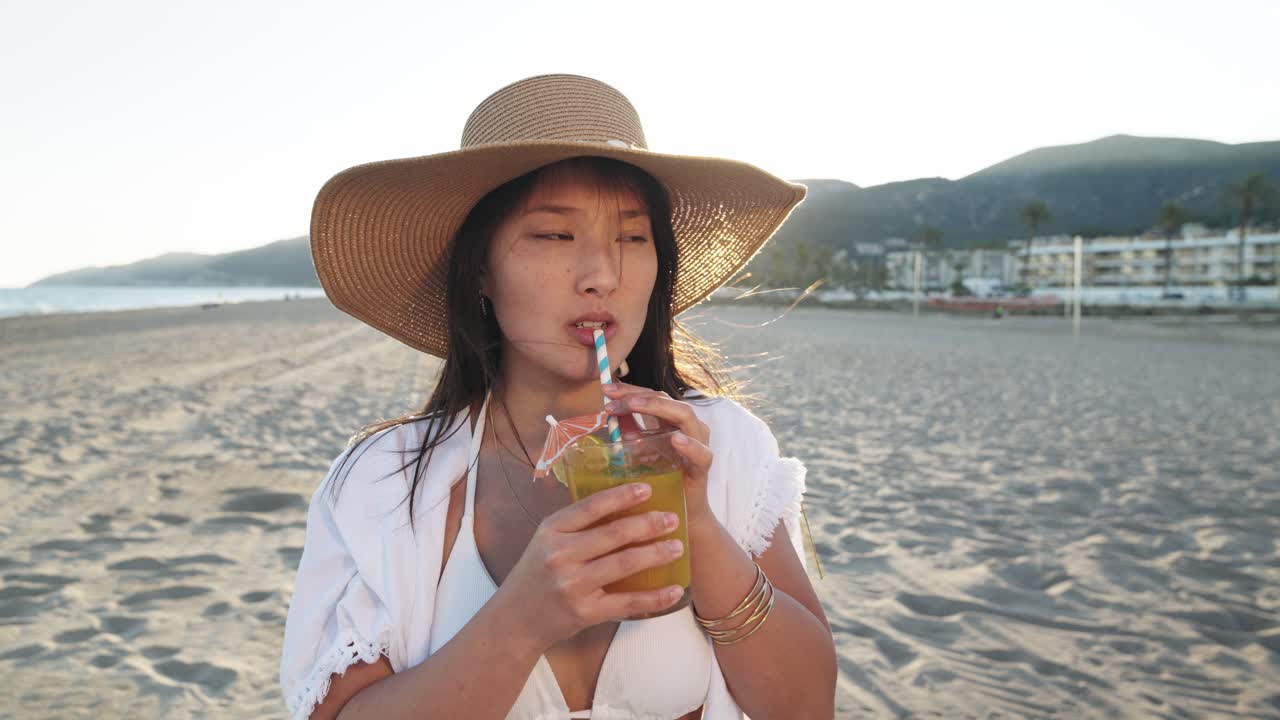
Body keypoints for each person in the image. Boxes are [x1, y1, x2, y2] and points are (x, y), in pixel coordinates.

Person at [280, 74, 836, 720]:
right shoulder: (382, 483)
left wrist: (702, 532)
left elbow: (807, 706)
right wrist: (521, 618)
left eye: (633, 238)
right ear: (480, 268)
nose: (602, 275)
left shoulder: (725, 448)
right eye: (554, 236)